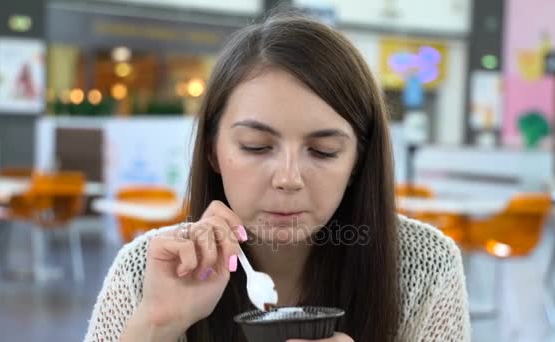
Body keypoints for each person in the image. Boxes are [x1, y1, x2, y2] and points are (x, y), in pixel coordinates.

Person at [85, 11, 470, 342]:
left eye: (323, 151)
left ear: (358, 160)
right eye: (256, 146)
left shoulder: (424, 266)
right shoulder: (150, 269)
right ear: (211, 150)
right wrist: (157, 324)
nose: (288, 178)